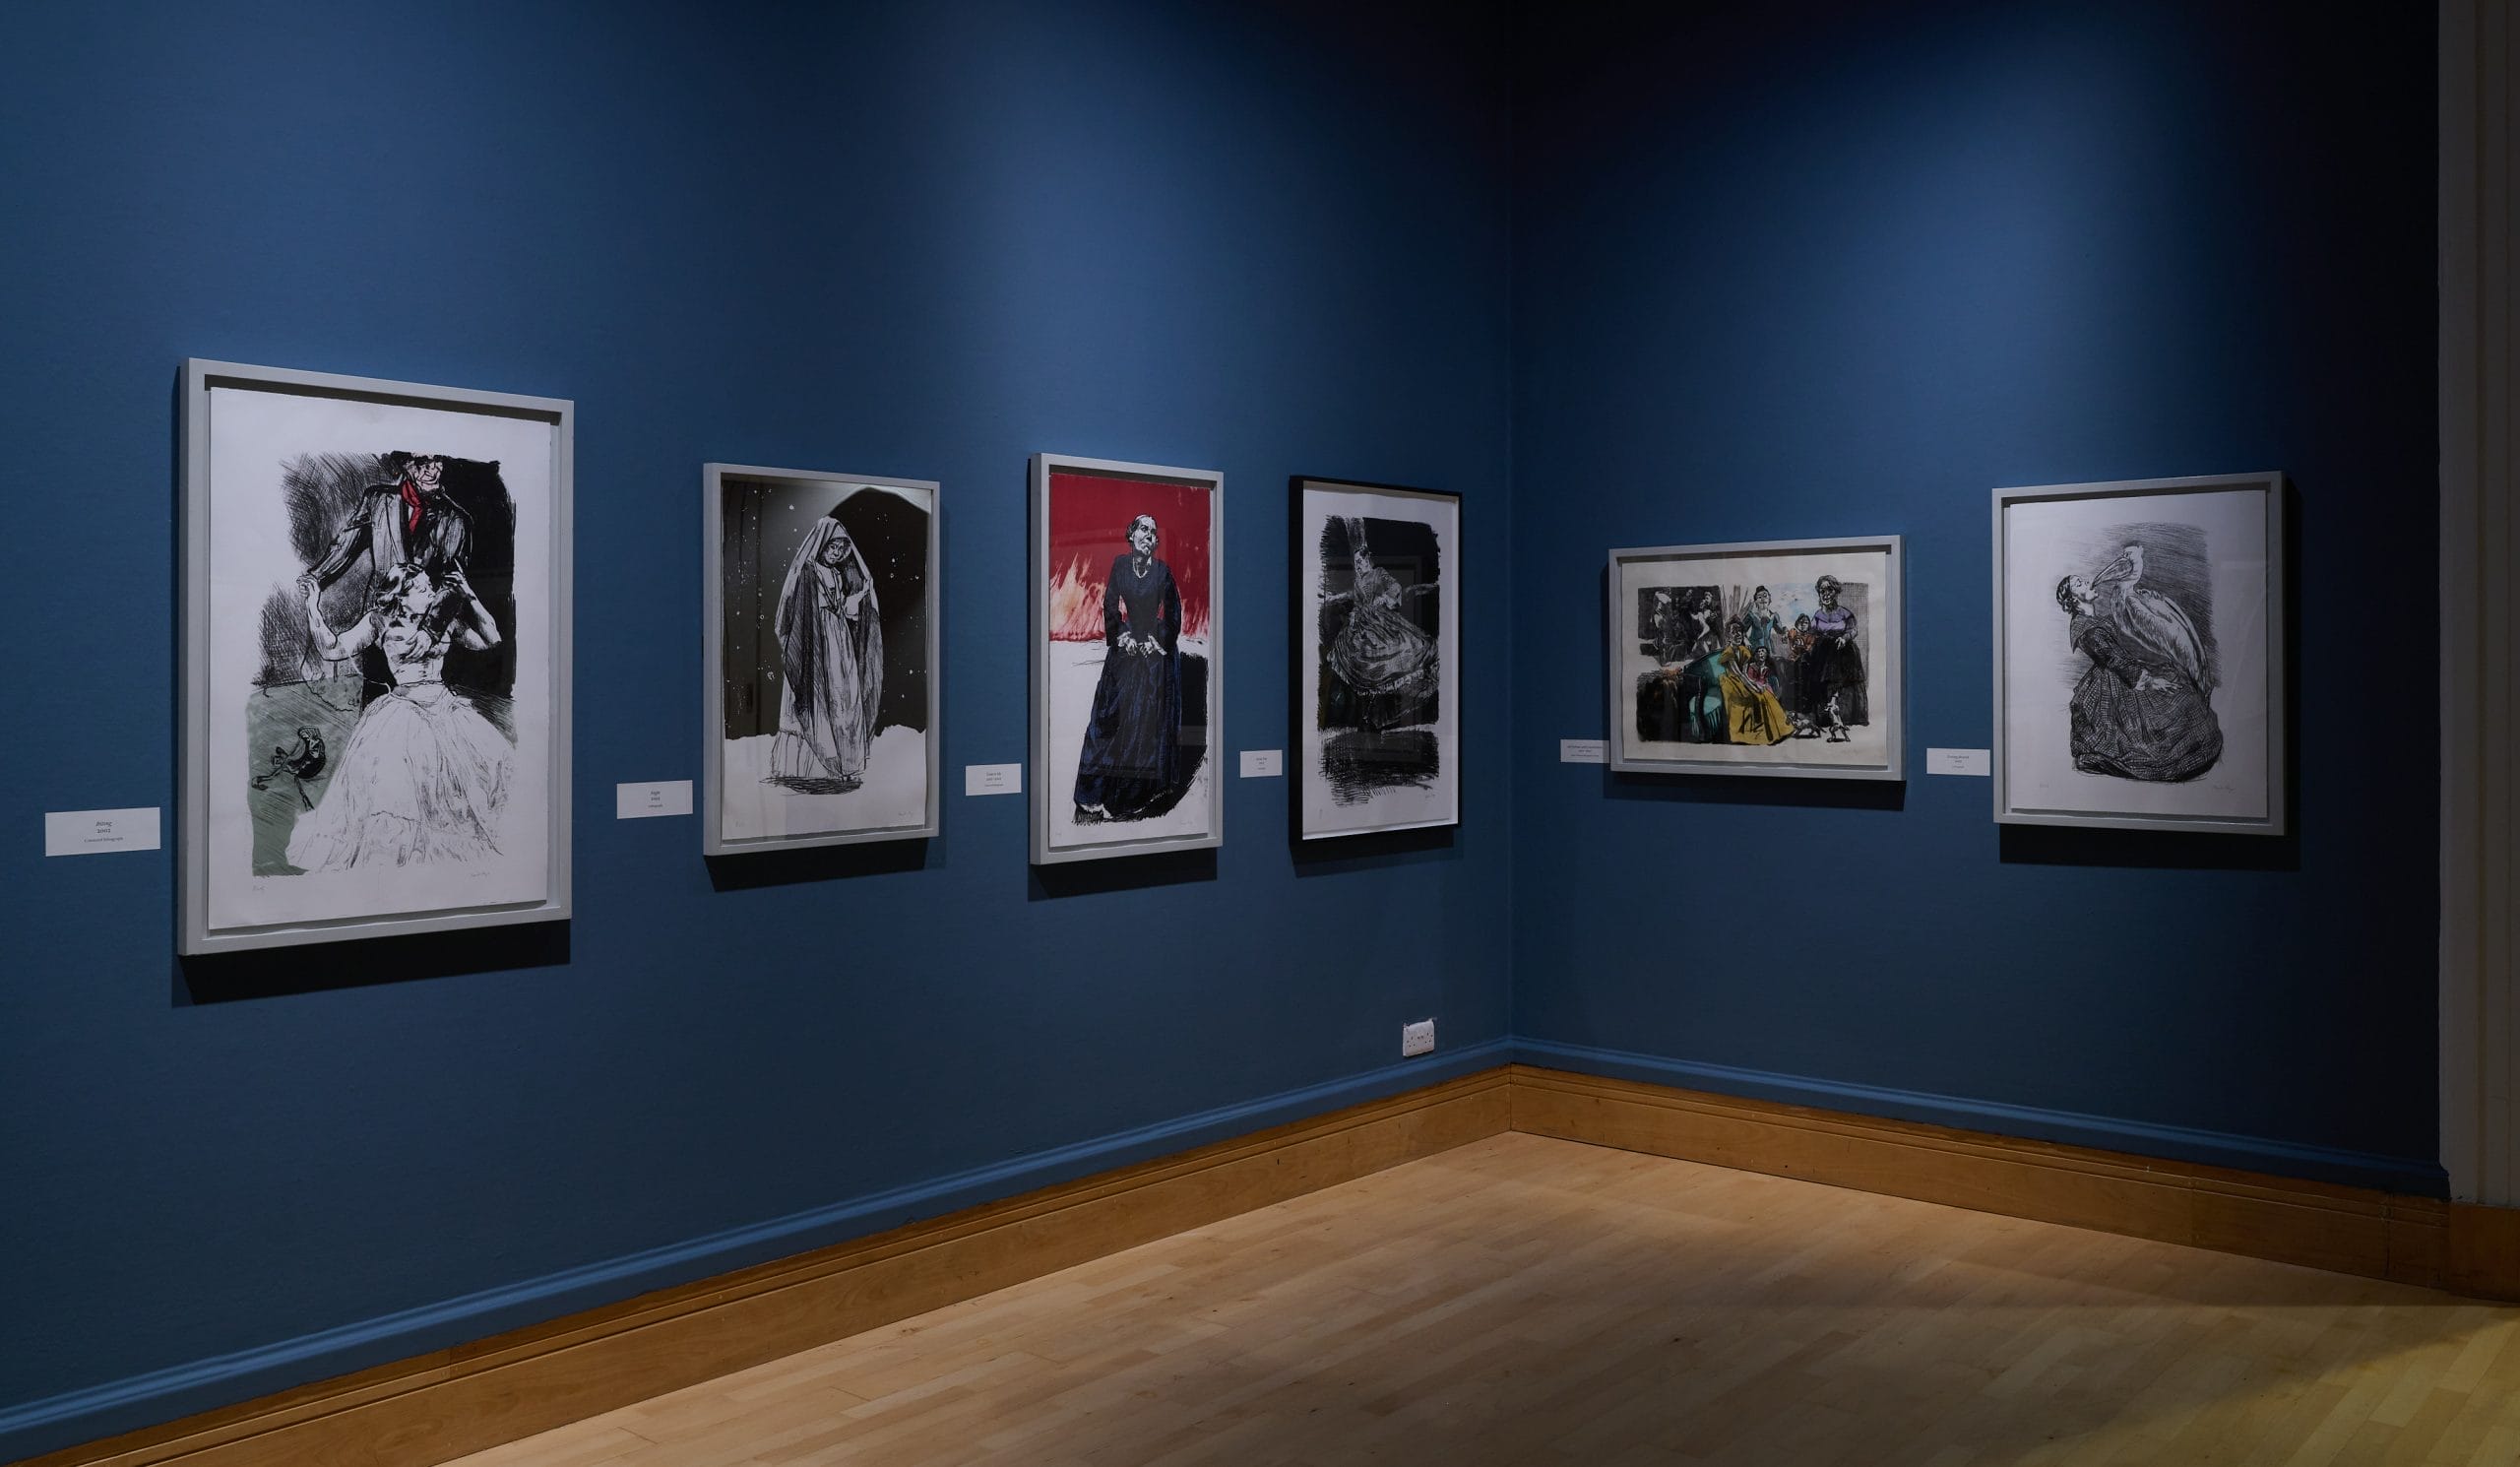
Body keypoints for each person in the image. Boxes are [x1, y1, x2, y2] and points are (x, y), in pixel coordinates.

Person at [284, 564, 511, 870]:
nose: (432, 593)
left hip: (447, 709)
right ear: (401, 597)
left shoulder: (443, 621)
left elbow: (491, 640)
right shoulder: (379, 622)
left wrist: (469, 596)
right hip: (403, 715)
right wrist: (313, 606)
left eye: (431, 587)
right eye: (422, 589)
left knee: (490, 768)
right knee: (398, 791)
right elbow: (333, 649)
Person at [2055, 544, 2222, 782]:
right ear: (2074, 598)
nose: (2089, 582)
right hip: (2114, 685)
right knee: (2156, 730)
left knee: (2183, 699)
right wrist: (2151, 680)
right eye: (2080, 584)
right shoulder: (2087, 629)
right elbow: (2114, 659)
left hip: (2123, 674)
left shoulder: (2094, 620)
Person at [1074, 514, 1186, 821]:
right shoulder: (1120, 565)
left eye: (1153, 532)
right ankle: (1091, 796)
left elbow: (1174, 614)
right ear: (1131, 535)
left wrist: (1156, 639)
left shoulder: (1163, 572)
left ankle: (1131, 797)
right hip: (1128, 646)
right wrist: (1121, 634)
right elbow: (1110, 605)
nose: (1149, 536)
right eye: (1143, 530)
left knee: (1143, 722)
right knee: (1107, 715)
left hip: (1154, 653)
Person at [770, 517, 884, 793]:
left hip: (838, 638)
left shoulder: (836, 574)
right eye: (832, 547)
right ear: (822, 545)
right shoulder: (809, 572)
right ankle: (815, 764)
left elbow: (841, 607)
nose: (835, 553)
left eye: (840, 549)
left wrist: (857, 599)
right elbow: (797, 612)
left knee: (843, 695)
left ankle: (842, 764)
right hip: (817, 641)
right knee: (822, 694)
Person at [308, 452, 472, 596]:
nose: (433, 470)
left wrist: (430, 629)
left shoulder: (455, 519)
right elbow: (344, 545)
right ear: (405, 465)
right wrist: (315, 577)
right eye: (423, 462)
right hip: (379, 611)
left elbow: (453, 584)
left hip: (423, 618)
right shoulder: (377, 500)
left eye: (438, 460)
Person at [1320, 528, 1437, 729]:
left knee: (1400, 648)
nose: (1358, 565)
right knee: (1353, 652)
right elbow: (1357, 603)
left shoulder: (1379, 573)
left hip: (1383, 621)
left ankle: (1386, 705)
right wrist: (1356, 615)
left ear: (1368, 559)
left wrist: (1383, 598)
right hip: (1362, 622)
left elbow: (1395, 588)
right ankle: (1368, 704)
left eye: (1361, 561)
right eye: (1356, 563)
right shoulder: (1358, 583)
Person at [1802, 575, 1866, 729]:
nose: (1825, 594)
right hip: (1823, 655)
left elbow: (1853, 630)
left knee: (1836, 657)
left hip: (1843, 651)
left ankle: (1835, 704)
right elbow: (1810, 635)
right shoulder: (1817, 615)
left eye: (1829, 590)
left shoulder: (1844, 613)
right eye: (1822, 590)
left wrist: (1844, 638)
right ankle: (1827, 709)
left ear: (1836, 592)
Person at [1717, 618, 1793, 745]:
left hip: (1744, 679)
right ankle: (1750, 733)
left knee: (1766, 693)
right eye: (1734, 632)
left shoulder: (1744, 651)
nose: (1738, 634)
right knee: (1755, 694)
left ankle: (1779, 729)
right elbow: (1739, 675)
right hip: (1731, 682)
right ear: (1728, 636)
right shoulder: (1728, 653)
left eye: (1740, 631)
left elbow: (1745, 673)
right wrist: (1754, 686)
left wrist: (1755, 684)